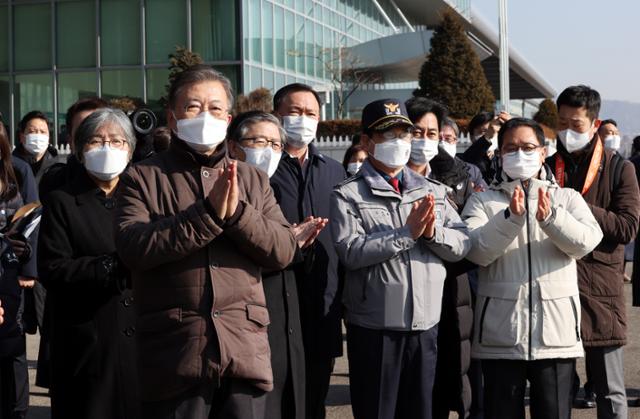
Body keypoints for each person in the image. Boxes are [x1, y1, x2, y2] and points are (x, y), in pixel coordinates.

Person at [115, 65, 297, 419]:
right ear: (172, 116)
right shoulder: (142, 176)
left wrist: (237, 214)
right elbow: (133, 247)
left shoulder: (253, 179)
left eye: (215, 108)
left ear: (228, 118)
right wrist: (208, 215)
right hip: (176, 351)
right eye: (192, 107)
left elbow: (284, 249)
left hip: (244, 349)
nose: (204, 116)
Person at [331, 98, 470, 419]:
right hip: (375, 329)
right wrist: (406, 234)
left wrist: (433, 233)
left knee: (422, 410)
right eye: (388, 135)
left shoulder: (432, 191)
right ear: (366, 142)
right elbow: (350, 251)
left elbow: (462, 242)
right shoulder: (348, 194)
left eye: (404, 135)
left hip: (426, 325)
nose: (400, 143)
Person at [461, 117, 603, 419]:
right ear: (500, 155)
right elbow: (476, 251)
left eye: (528, 147)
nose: (519, 154)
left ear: (543, 152)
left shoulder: (566, 198)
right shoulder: (482, 202)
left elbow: (587, 242)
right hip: (500, 334)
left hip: (555, 334)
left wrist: (551, 218)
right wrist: (510, 219)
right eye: (510, 148)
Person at [37, 108, 139, 419]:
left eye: (117, 141)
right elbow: (53, 269)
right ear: (80, 151)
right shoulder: (62, 201)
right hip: (86, 342)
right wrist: (111, 266)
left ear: (130, 150)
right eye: (97, 141)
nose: (108, 148)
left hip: (140, 340)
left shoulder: (142, 197)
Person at [227, 110, 328, 419]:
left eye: (274, 144)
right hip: (243, 324)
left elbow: (284, 252)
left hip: (286, 318)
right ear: (233, 147)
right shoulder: (223, 191)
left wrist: (300, 245)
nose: (267, 150)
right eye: (258, 141)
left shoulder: (273, 190)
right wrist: (287, 245)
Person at [546, 85, 640, 419]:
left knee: (610, 391)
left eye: (576, 125)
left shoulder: (619, 168)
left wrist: (578, 205)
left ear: (595, 124)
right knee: (556, 391)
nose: (567, 131)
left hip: (600, 289)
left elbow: (628, 227)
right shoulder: (545, 165)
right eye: (562, 123)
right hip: (553, 287)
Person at [270, 83, 346, 419]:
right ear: (276, 116)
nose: (302, 119)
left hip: (321, 301)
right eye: (294, 112)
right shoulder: (261, 167)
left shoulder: (333, 170)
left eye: (310, 113)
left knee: (315, 397)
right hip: (273, 299)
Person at [405, 97, 476, 418]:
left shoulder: (459, 177)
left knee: (443, 386)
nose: (424, 140)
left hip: (451, 297)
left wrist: (434, 234)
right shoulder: (383, 180)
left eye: (432, 133)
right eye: (416, 132)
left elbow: (469, 239)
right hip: (401, 304)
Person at [0, 122, 38, 419]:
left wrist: (29, 268)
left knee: (13, 341)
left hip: (10, 270)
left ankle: (18, 408)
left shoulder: (18, 170)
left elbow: (33, 217)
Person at [462, 111, 511, 183]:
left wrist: (512, 127)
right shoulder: (463, 160)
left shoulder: (504, 158)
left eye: (494, 131)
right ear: (471, 136)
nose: (491, 134)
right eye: (484, 131)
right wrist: (487, 137)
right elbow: (470, 157)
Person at [441, 117, 487, 191]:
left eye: (448, 139)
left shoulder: (471, 171)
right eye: (439, 139)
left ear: (456, 140)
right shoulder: (424, 169)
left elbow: (486, 196)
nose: (442, 143)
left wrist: (473, 197)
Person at [13, 111, 59, 184]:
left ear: (48, 138)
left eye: (43, 132)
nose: (38, 135)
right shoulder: (10, 168)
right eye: (32, 131)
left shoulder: (58, 168)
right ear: (21, 137)